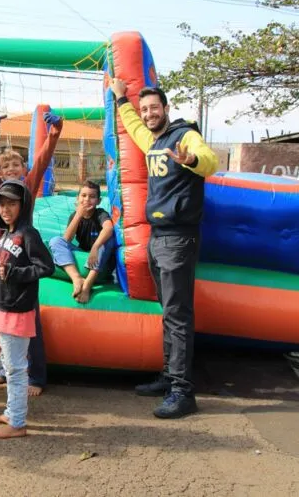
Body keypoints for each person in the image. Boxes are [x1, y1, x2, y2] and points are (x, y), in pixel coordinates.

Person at [110, 78, 218, 419]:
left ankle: (183, 392)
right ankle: (170, 378)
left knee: (177, 316)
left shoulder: (185, 135)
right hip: (159, 237)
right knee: (169, 314)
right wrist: (120, 99)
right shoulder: (153, 140)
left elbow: (210, 160)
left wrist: (191, 160)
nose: (148, 113)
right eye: (145, 109)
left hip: (178, 236)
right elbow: (132, 125)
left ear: (167, 109)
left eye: (154, 107)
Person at [0, 112, 64, 396]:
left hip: (22, 256)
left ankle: (37, 377)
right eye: (6, 167)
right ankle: (4, 371)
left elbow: (41, 163)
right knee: (2, 319)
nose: (12, 170)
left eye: (17, 165)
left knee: (31, 322)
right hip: (2, 256)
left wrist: (53, 135)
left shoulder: (26, 188)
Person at [0, 180, 54, 438]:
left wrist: (17, 273)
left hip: (17, 310)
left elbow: (45, 266)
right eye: (2, 204)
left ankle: (18, 423)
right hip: (4, 307)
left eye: (12, 204)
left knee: (15, 368)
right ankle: (11, 412)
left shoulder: (28, 233)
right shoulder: (6, 234)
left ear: (22, 206)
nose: (5, 209)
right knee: (8, 361)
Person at [48, 180, 116, 303]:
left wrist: (95, 247)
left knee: (109, 239)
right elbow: (66, 240)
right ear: (77, 198)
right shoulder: (74, 215)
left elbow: (108, 228)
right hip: (83, 257)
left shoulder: (100, 214)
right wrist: (78, 215)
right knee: (55, 241)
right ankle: (76, 278)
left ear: (99, 201)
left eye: (92, 197)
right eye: (83, 196)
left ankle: (87, 285)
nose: (87, 200)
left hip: (98, 261)